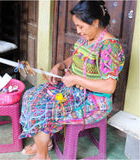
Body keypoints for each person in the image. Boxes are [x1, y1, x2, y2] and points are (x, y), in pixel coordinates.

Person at [19, 1, 125, 160]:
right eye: (76, 26)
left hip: (93, 101)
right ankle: (44, 143)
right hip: (73, 91)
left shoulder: (109, 47)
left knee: (43, 108)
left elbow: (109, 87)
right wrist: (61, 65)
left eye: (80, 27)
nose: (78, 31)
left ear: (95, 22)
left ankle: (43, 155)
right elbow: (75, 58)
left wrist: (77, 79)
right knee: (31, 96)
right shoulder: (87, 38)